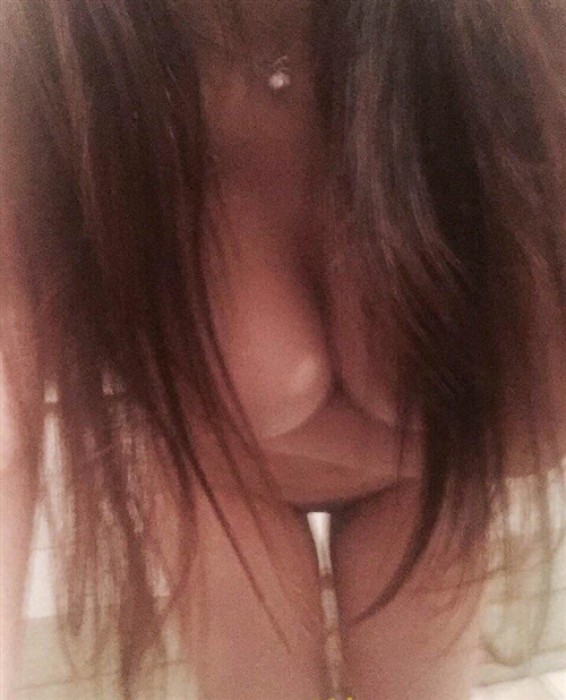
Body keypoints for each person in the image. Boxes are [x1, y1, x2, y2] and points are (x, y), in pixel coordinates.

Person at [1, 1, 565, 698]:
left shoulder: (509, 38)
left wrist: (213, 441)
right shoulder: (45, 51)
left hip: (407, 492)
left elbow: (543, 429)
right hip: (223, 497)